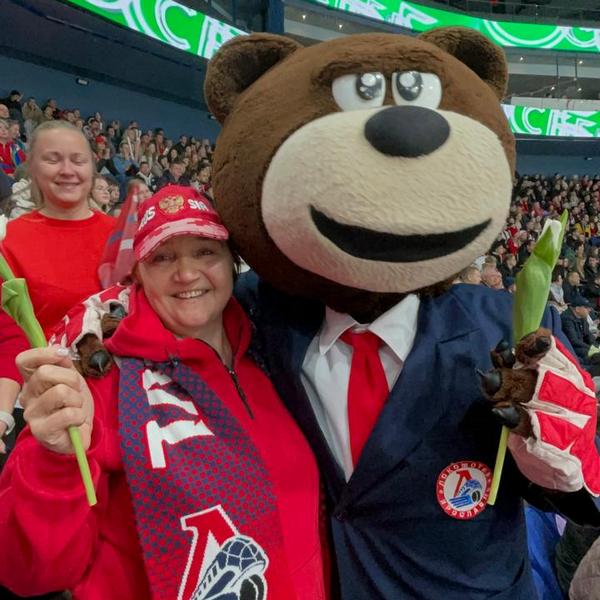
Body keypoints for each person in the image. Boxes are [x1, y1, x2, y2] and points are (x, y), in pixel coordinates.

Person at [0, 185, 326, 600]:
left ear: (233, 263)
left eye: (205, 252)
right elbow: (27, 570)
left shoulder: (277, 353)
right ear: (138, 274)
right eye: (162, 258)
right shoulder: (98, 377)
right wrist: (55, 461)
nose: (186, 273)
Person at [0, 121, 115, 337]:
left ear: (92, 168)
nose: (67, 171)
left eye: (78, 160)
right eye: (52, 160)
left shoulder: (122, 235)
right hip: (44, 358)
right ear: (32, 168)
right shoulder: (8, 242)